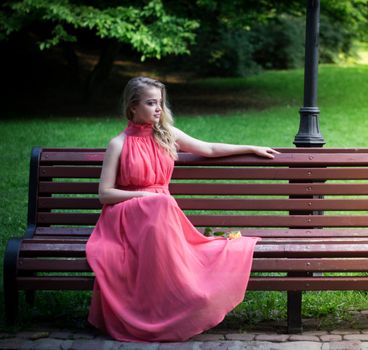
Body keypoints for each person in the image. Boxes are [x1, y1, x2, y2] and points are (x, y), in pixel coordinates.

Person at [86, 76, 279, 342]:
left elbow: (209, 148)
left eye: (160, 103)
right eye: (151, 103)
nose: (158, 109)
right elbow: (104, 194)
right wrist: (146, 196)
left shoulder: (167, 135)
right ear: (133, 107)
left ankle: (186, 298)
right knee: (161, 203)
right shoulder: (118, 144)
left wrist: (250, 147)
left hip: (162, 217)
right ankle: (161, 307)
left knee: (164, 205)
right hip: (127, 215)